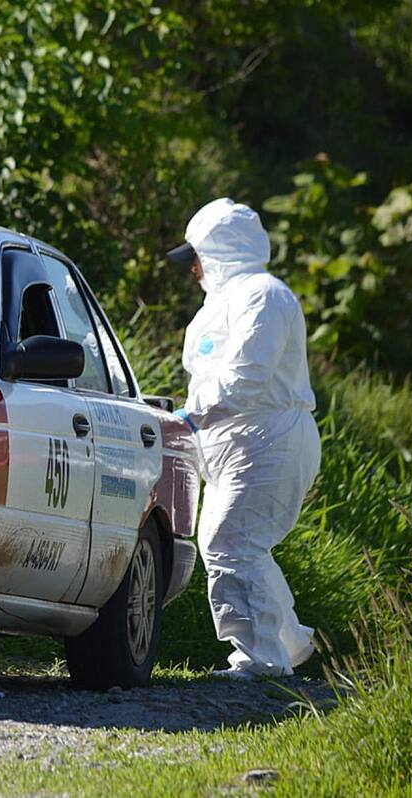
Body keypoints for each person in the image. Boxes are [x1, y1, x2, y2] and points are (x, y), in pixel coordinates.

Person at [167, 198, 322, 679]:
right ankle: (289, 645)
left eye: (194, 255)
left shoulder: (264, 296)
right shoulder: (224, 302)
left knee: (229, 543)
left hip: (267, 439)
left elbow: (246, 378)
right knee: (240, 544)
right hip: (233, 443)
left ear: (215, 252)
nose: (190, 267)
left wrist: (189, 415)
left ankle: (260, 662)